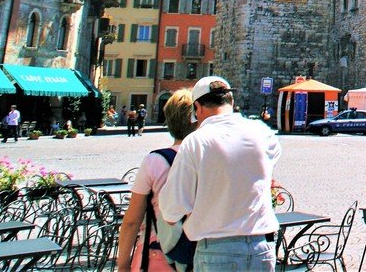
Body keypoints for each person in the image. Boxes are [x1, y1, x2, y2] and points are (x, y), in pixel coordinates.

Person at [159, 76, 281, 270]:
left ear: (197, 107)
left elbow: (171, 209)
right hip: (261, 248)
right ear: (231, 101)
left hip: (216, 250)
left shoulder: (196, 141)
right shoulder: (263, 133)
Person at [115, 89, 195, 272]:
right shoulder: (208, 161)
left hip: (156, 254)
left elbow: (132, 221)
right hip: (199, 256)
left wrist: (123, 266)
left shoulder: (155, 161)